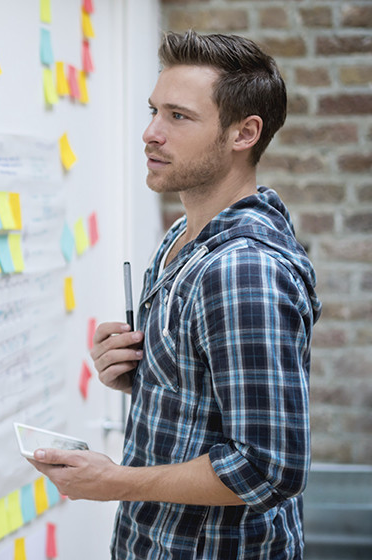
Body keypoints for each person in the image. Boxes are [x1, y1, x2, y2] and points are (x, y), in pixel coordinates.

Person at [29, 31, 322, 559]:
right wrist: (141, 376)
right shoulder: (181, 241)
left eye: (178, 117)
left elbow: (266, 467)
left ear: (244, 133)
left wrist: (117, 480)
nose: (150, 133)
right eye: (153, 111)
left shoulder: (243, 268)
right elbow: (209, 402)